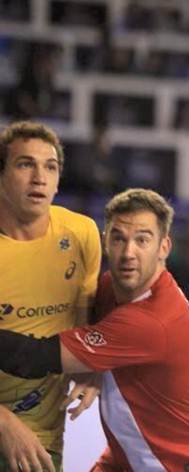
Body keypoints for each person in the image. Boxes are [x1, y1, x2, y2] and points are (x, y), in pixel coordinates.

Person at [0, 188, 189, 471]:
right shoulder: (111, 290)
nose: (129, 253)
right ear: (105, 242)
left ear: (164, 247)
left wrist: (86, 359)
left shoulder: (152, 321)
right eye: (119, 239)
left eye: (142, 240)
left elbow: (33, 357)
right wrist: (90, 363)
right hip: (132, 459)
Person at [0, 121, 101, 472]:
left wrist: (92, 368)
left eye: (50, 166)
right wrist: (3, 423)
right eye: (25, 164)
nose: (39, 177)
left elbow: (89, 320)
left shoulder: (82, 233)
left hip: (42, 442)